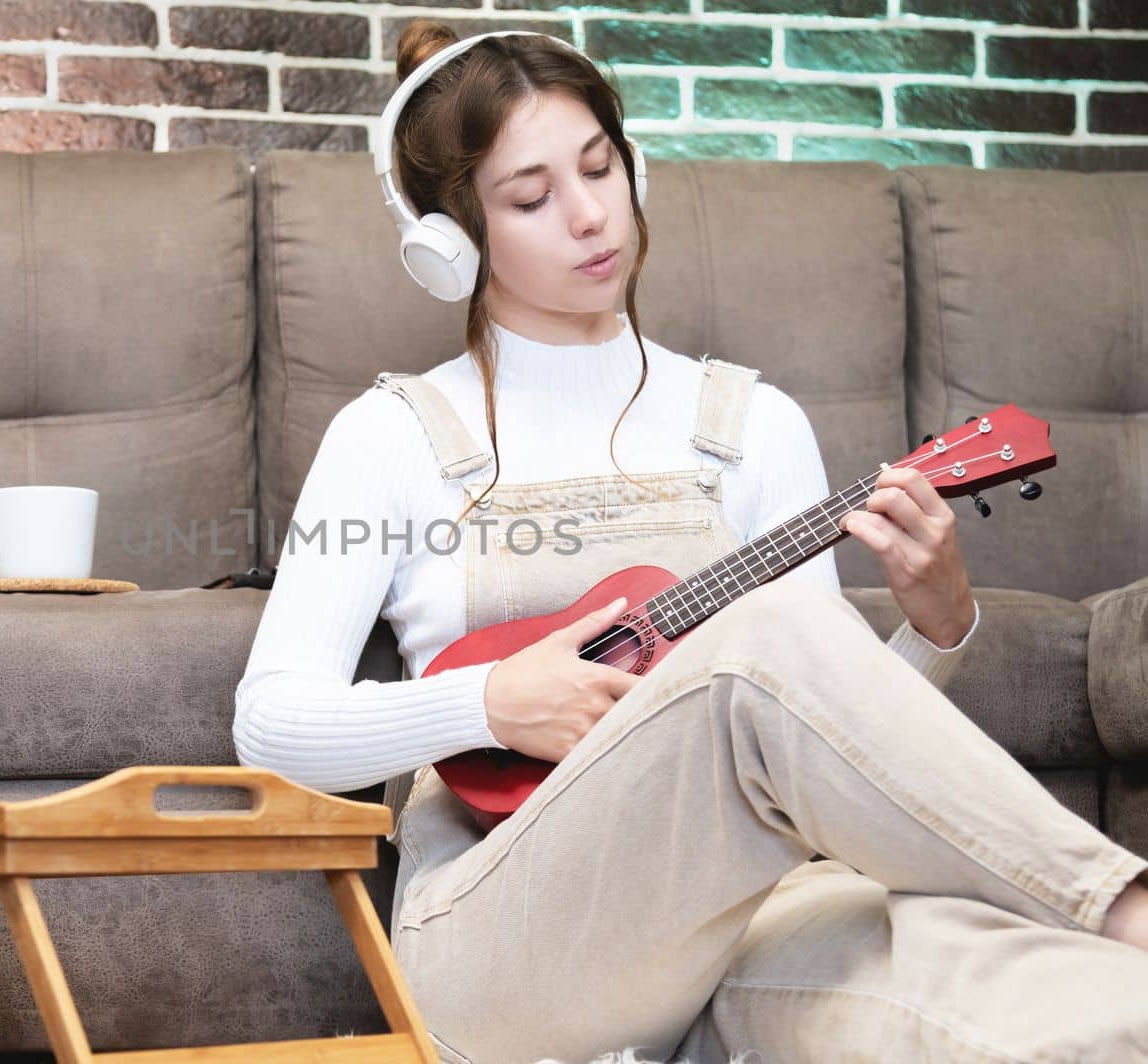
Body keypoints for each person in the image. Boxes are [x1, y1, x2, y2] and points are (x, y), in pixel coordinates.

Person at [233, 20, 1148, 1064]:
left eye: (599, 167)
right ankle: (1121, 900)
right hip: (502, 934)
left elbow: (810, 728)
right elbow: (270, 725)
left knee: (1068, 1009)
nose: (588, 216)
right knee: (762, 632)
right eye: (530, 198)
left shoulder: (754, 423)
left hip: (750, 908)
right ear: (452, 242)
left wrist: (936, 625)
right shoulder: (391, 436)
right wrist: (486, 701)